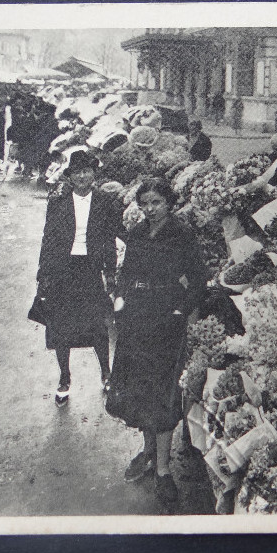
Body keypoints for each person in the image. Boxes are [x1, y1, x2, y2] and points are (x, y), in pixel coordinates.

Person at [108, 177, 208, 502]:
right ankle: (148, 450)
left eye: (156, 203)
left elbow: (198, 279)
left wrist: (182, 310)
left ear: (169, 203)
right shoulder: (137, 233)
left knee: (164, 391)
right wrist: (120, 300)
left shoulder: (182, 234)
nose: (150, 209)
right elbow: (127, 273)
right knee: (139, 386)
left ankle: (163, 469)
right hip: (137, 317)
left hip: (167, 319)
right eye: (145, 203)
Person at [36, 149, 120, 407]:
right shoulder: (58, 202)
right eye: (77, 172)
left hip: (91, 269)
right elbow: (48, 238)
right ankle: (64, 378)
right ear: (70, 177)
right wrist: (43, 273)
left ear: (94, 174)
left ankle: (106, 374)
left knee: (97, 325)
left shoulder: (105, 202)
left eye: (87, 171)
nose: (82, 176)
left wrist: (110, 271)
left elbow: (111, 237)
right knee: (62, 326)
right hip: (64, 269)